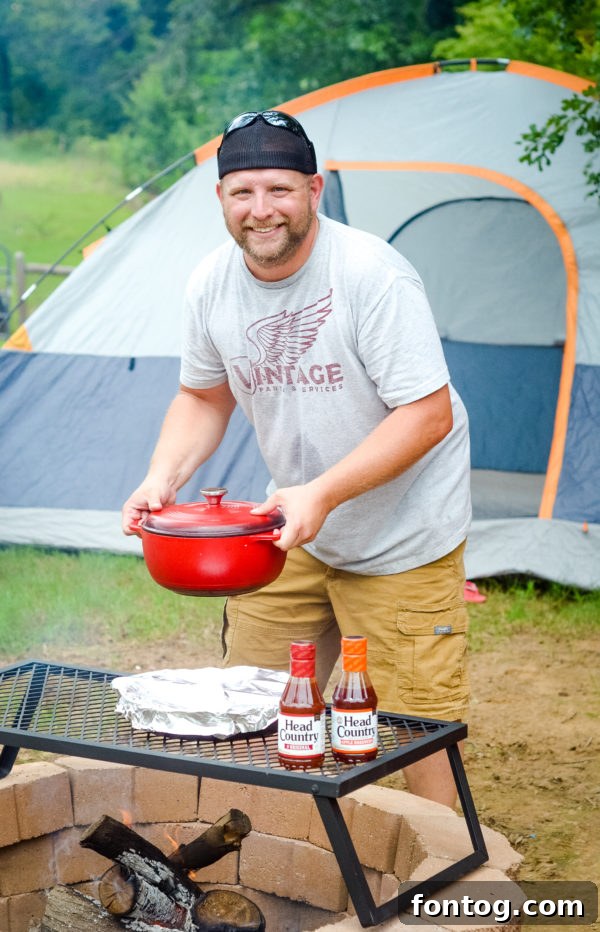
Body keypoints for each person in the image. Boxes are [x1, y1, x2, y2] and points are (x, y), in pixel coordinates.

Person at [122, 110, 472, 808]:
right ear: (219, 198)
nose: (261, 211)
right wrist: (160, 481)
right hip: (289, 531)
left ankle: (456, 894)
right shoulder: (212, 284)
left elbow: (427, 414)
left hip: (402, 537)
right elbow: (202, 396)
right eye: (242, 192)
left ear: (314, 189)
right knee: (252, 708)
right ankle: (275, 856)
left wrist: (324, 493)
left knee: (411, 732)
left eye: (279, 190)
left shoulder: (371, 275)